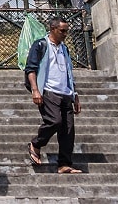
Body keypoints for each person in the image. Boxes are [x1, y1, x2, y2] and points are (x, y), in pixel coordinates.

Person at [24, 16, 83, 174]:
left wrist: (75, 95)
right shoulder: (41, 45)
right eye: (62, 31)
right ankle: (36, 143)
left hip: (66, 92)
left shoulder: (65, 48)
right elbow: (30, 68)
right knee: (54, 121)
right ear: (52, 29)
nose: (65, 34)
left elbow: (70, 72)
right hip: (48, 91)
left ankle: (64, 164)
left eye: (66, 31)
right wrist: (35, 90)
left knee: (68, 130)